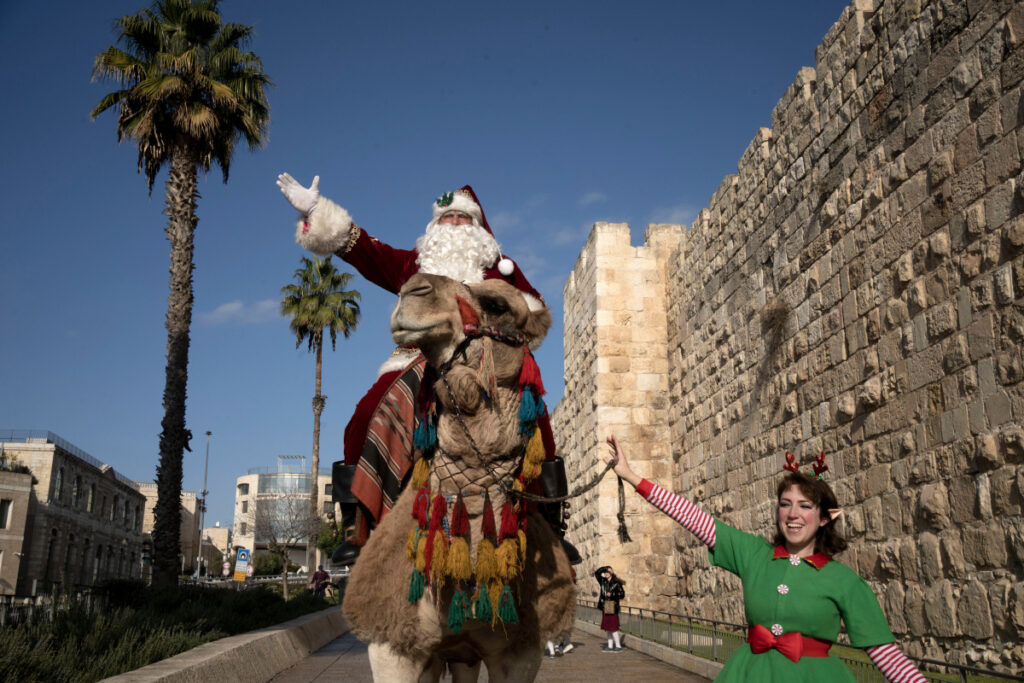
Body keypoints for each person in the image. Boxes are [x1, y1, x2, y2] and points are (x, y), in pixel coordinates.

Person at [276, 175, 562, 565]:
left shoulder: (500, 271)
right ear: (434, 226)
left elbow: (535, 312)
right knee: (363, 417)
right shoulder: (414, 264)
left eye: (463, 219)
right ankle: (355, 524)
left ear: (477, 227)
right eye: (447, 219)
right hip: (417, 358)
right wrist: (316, 210)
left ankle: (550, 521)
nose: (455, 226)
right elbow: (363, 249)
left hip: (483, 363)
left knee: (538, 417)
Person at [602, 435, 928, 682]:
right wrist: (631, 476)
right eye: (785, 504)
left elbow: (885, 654)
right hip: (749, 673)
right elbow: (693, 517)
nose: (793, 514)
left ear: (825, 518)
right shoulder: (755, 555)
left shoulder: (844, 581)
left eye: (805, 506)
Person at [595, 565, 625, 652]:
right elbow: (597, 573)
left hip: (612, 605)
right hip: (605, 605)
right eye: (605, 572)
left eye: (608, 572)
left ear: (611, 573)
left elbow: (622, 595)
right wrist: (605, 568)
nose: (606, 574)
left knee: (613, 627)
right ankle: (610, 646)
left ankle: (618, 646)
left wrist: (612, 595)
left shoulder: (616, 583)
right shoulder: (603, 581)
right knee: (608, 628)